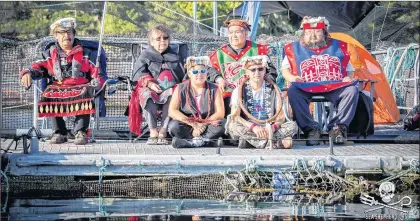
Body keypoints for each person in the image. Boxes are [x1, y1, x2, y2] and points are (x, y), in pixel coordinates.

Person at [19, 17, 106, 145]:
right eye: (62, 33)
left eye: (69, 32)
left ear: (74, 34)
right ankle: (59, 132)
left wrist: (97, 80)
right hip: (58, 86)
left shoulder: (87, 53)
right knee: (49, 93)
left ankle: (80, 131)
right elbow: (37, 67)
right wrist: (27, 73)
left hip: (81, 85)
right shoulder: (48, 53)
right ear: (56, 36)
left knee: (86, 91)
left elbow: (98, 72)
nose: (66, 35)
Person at [281, 16, 359, 146]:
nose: (312, 35)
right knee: (293, 91)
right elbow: (285, 70)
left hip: (335, 85)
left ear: (324, 32)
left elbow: (349, 69)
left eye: (317, 31)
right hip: (306, 85)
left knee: (351, 90)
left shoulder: (339, 46)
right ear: (303, 34)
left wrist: (348, 77)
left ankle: (337, 128)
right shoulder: (292, 48)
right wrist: (294, 78)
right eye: (308, 32)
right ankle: (311, 129)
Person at [129, 24, 185, 145]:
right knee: (147, 95)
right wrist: (149, 84)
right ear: (151, 42)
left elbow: (183, 77)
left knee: (173, 94)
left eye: (165, 38)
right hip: (150, 88)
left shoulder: (176, 56)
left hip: (171, 89)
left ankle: (163, 131)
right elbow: (138, 75)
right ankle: (153, 131)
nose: (162, 41)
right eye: (158, 39)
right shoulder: (145, 56)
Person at [207, 19, 278, 116]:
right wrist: (218, 78)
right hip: (228, 96)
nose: (234, 36)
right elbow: (208, 70)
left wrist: (263, 82)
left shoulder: (259, 50)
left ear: (246, 33)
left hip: (255, 94)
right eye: (231, 32)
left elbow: (272, 72)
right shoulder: (218, 54)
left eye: (237, 32)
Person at [227, 56, 298, 149]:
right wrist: (254, 127)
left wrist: (273, 128)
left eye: (260, 69)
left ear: (265, 70)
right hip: (250, 127)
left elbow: (281, 117)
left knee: (293, 126)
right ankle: (274, 143)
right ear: (247, 72)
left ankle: (253, 142)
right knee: (232, 126)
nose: (257, 73)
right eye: (253, 70)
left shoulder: (275, 89)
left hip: (270, 127)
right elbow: (235, 116)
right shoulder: (238, 90)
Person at [168, 56, 226, 148]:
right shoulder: (180, 88)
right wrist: (193, 124)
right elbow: (172, 111)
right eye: (195, 72)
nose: (200, 74)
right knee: (173, 126)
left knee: (222, 123)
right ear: (189, 74)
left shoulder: (215, 88)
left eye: (203, 71)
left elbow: (220, 113)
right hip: (188, 124)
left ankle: (192, 143)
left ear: (206, 73)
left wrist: (203, 124)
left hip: (207, 124)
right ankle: (204, 141)